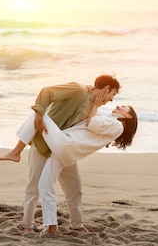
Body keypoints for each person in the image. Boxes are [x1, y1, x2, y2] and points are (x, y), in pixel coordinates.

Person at [0, 75, 121, 233]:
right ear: (106, 89)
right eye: (113, 94)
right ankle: (27, 225)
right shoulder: (78, 89)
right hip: (43, 141)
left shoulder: (94, 106)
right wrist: (39, 116)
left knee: (74, 188)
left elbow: (91, 128)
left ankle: (77, 225)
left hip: (63, 148)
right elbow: (47, 92)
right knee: (34, 186)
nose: (111, 100)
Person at [17, 97, 138, 236]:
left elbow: (92, 123)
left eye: (123, 107)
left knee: (38, 114)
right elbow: (89, 118)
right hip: (68, 151)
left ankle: (16, 150)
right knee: (50, 185)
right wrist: (92, 100)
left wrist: (96, 105)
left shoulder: (117, 126)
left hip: (64, 144)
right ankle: (55, 225)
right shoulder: (110, 122)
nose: (118, 106)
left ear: (128, 116)